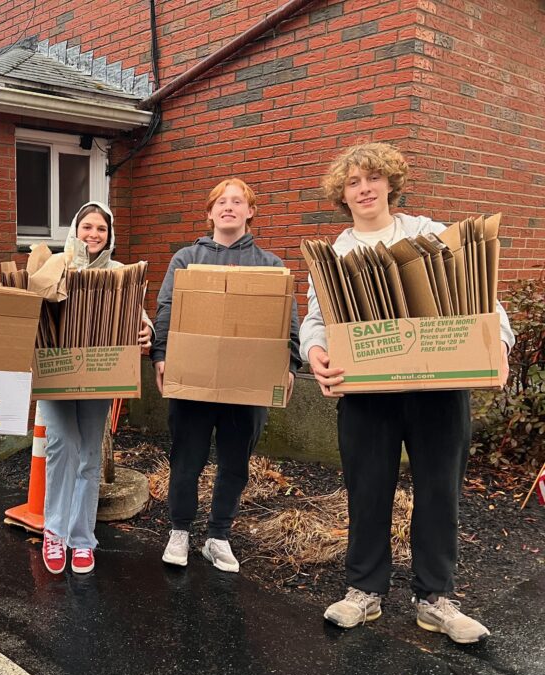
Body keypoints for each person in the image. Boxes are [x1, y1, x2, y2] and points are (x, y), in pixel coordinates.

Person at [303, 142, 514, 643]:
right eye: (353, 182)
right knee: (367, 490)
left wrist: (500, 345)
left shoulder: (427, 234)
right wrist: (315, 352)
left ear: (390, 184)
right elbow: (315, 319)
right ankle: (364, 591)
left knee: (440, 491)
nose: (364, 189)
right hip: (366, 394)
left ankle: (435, 599)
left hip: (437, 390)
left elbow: (480, 296)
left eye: (373, 178)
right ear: (342, 195)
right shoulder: (334, 256)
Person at [151, 179, 302, 572]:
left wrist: (290, 365)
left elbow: (288, 319)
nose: (229, 207)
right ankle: (180, 531)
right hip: (193, 379)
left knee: (235, 463)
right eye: (221, 202)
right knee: (186, 459)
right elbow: (167, 308)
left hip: (248, 384)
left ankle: (218, 536)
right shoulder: (187, 259)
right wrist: (160, 356)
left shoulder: (269, 265)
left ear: (250, 212)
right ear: (210, 212)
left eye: (238, 201)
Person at [39, 201, 153, 576]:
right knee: (62, 446)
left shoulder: (119, 273)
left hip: (99, 375)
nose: (93, 234)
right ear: (75, 230)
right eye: (87, 226)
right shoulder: (57, 265)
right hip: (57, 374)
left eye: (101, 228)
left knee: (89, 454)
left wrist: (146, 330)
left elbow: (138, 315)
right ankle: (54, 531)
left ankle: (82, 538)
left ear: (109, 234)